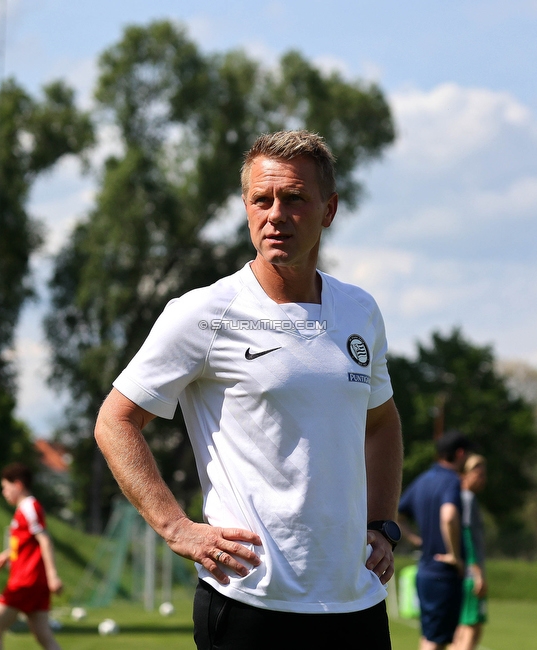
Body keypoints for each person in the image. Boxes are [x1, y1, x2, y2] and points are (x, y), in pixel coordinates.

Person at [93, 130, 403, 649]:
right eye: (262, 199)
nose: (275, 214)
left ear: (328, 210)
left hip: (356, 602)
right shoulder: (204, 312)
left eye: (294, 199)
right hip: (250, 602)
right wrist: (177, 529)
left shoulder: (360, 310)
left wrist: (382, 523)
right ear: (246, 207)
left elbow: (383, 421)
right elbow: (115, 421)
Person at [398, 430, 472, 650]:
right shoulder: (451, 481)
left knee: (430, 637)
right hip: (444, 573)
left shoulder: (422, 480)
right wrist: (455, 556)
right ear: (460, 454)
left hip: (425, 571)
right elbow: (448, 516)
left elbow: (398, 515)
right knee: (435, 642)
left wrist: (416, 540)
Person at [0, 462, 63, 650]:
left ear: (18, 485)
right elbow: (27, 543)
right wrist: (8, 554)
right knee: (43, 636)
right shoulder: (25, 508)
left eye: (5, 487)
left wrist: (53, 575)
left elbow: (44, 540)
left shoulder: (29, 507)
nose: (4, 492)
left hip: (25, 581)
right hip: (34, 583)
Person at [452, 454, 487, 650]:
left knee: (462, 631)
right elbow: (467, 538)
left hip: (465, 574)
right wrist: (477, 573)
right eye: (478, 474)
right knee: (471, 629)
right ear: (465, 474)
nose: (482, 479)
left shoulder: (458, 497)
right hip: (471, 575)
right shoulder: (468, 499)